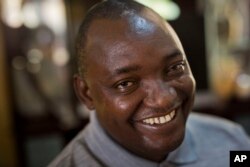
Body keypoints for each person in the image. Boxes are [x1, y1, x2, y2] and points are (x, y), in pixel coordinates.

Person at [49, 0, 250, 166]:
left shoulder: (232, 144)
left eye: (174, 68)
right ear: (86, 93)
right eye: (126, 83)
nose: (164, 99)